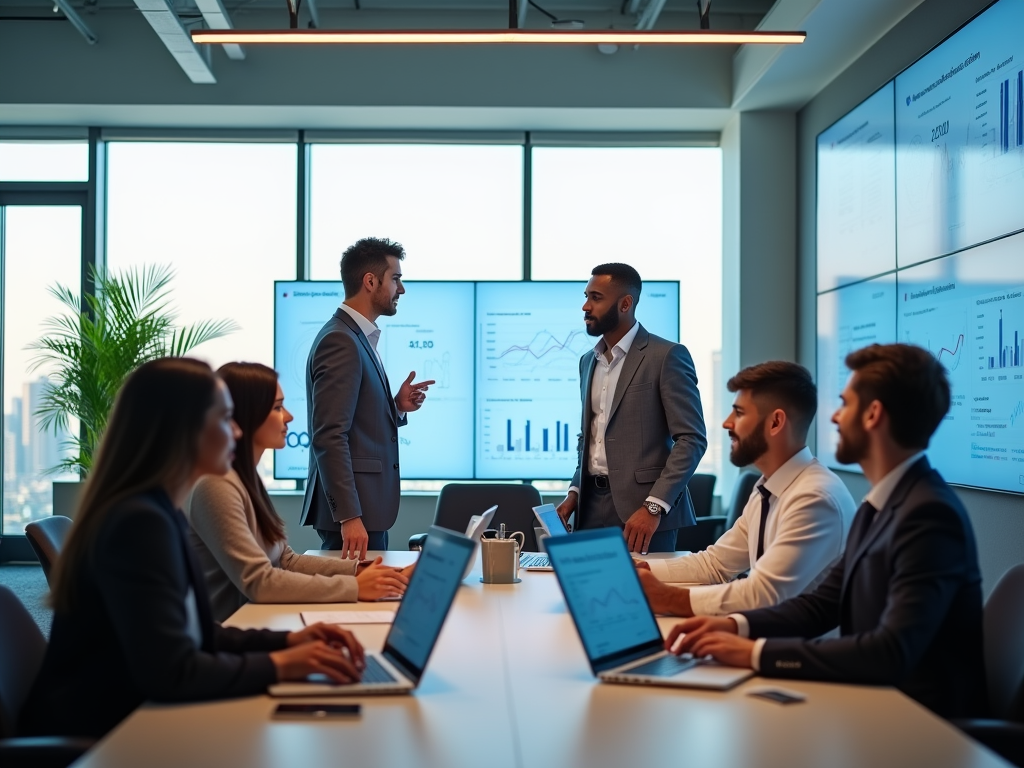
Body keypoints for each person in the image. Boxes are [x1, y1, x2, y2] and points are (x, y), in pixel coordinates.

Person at [19, 358, 365, 740]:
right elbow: (173, 672)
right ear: (182, 430)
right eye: (225, 418)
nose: (236, 431)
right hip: (100, 737)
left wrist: (287, 641)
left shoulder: (157, 510)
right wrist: (280, 665)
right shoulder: (138, 524)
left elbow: (200, 633)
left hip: (130, 716)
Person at [666, 344, 987, 719]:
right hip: (875, 702)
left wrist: (754, 653)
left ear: (873, 414)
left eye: (845, 403)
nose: (834, 416)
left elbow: (890, 652)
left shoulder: (929, 514)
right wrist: (734, 626)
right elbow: (821, 605)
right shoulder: (880, 505)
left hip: (923, 725)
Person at [187, 362, 412, 622]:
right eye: (277, 408)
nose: (289, 417)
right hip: (233, 636)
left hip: (259, 623)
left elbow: (286, 560)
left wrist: (365, 570)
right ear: (248, 415)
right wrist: (356, 588)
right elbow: (260, 582)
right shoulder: (216, 486)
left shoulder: (247, 479)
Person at [637, 361, 855, 616]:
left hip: (796, 651)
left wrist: (666, 598)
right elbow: (716, 564)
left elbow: (763, 594)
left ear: (775, 422)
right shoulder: (768, 487)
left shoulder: (815, 498)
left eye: (739, 413)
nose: (727, 423)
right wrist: (641, 570)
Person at [556, 263, 708, 554]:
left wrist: (653, 507)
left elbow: (692, 439)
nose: (586, 306)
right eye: (586, 296)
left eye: (596, 297)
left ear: (626, 303)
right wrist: (575, 492)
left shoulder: (666, 356)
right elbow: (589, 437)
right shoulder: (588, 362)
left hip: (644, 515)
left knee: (645, 597)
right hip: (588, 510)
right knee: (589, 594)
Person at [301, 237, 434, 559]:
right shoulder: (341, 340)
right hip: (353, 513)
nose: (401, 289)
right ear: (371, 281)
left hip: (365, 507)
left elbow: (354, 419)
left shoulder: (354, 336)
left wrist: (395, 407)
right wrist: (348, 515)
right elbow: (329, 435)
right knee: (352, 603)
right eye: (396, 279)